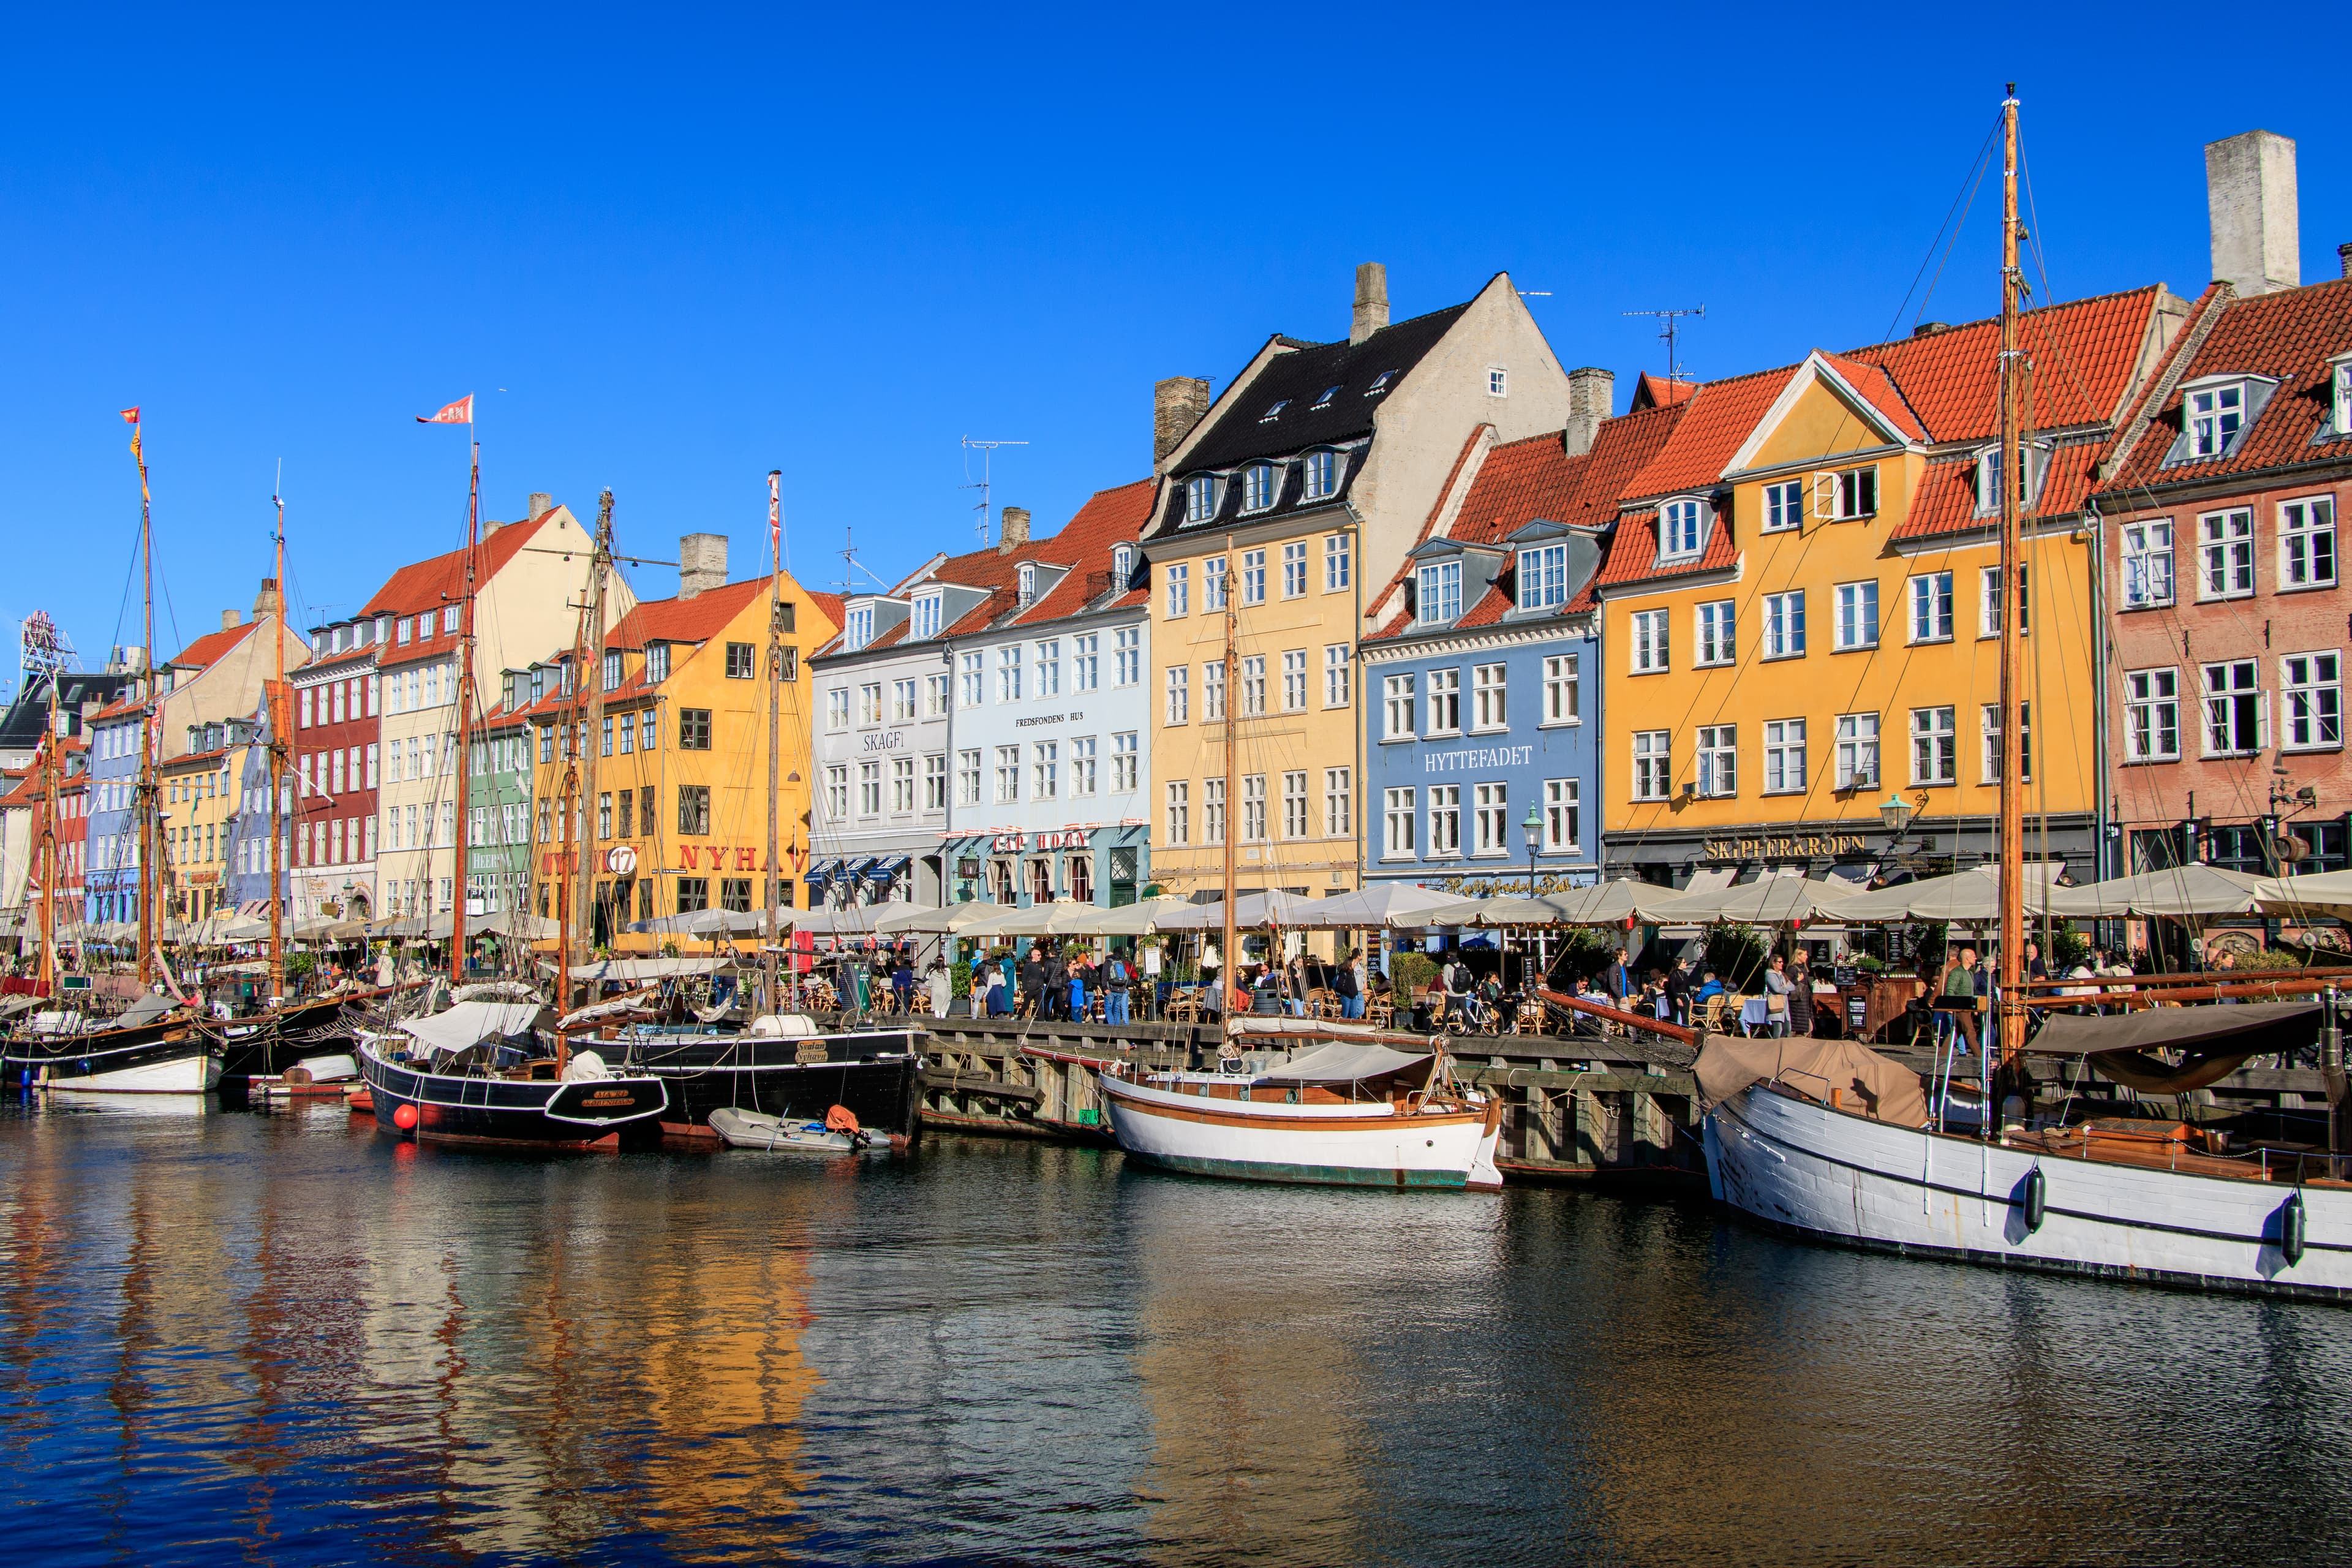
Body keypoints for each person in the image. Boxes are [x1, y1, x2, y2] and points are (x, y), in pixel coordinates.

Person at [1762, 954, 1794, 1038]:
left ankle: (1781, 1044)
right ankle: (1775, 1046)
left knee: (1787, 1029)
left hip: (1785, 1007)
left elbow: (1792, 986)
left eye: (1782, 962)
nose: (1782, 963)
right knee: (1778, 1030)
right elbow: (1777, 989)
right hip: (1776, 1005)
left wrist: (1784, 988)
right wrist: (1786, 990)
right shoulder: (1770, 975)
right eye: (1780, 962)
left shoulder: (1782, 974)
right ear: (1774, 963)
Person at [1102, 948, 1134, 1025]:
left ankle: (1111, 1027)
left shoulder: (1108, 962)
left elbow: (1104, 976)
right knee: (1117, 1009)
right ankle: (1117, 1028)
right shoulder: (1122, 962)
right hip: (1121, 989)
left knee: (1108, 1009)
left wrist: (1105, 988)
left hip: (1111, 989)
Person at [1788, 957, 1816, 1038]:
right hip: (1797, 1001)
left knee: (1808, 1027)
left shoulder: (1803, 968)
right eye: (1805, 954)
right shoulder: (1792, 968)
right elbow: (1787, 983)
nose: (1807, 957)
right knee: (1800, 1028)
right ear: (1799, 956)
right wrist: (1798, 980)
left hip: (1804, 1002)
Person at [1334, 949, 1363, 1020]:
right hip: (1346, 997)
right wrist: (1347, 991)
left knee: (1353, 1015)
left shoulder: (1352, 972)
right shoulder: (1344, 973)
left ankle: (1352, 1028)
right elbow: (1339, 986)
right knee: (1345, 1015)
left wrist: (1355, 991)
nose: (1354, 965)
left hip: (1354, 996)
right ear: (1350, 964)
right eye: (1353, 964)